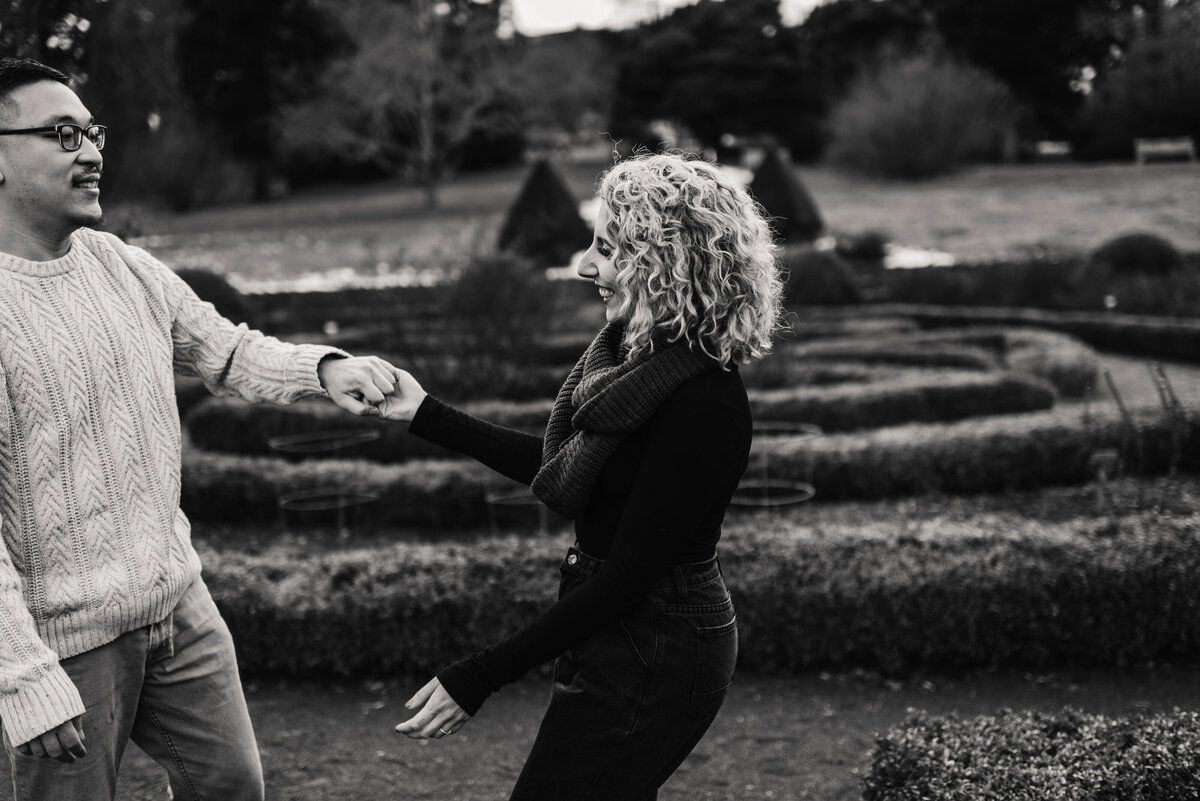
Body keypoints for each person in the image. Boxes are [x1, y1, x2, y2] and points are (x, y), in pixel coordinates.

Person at [0, 57, 399, 801]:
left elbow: (226, 349)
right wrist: (23, 675)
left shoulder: (120, 264)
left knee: (232, 786)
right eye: (61, 135)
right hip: (66, 641)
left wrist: (324, 368)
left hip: (176, 605)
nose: (91, 151)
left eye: (92, 132)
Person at [384, 151, 784, 799]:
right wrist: (422, 413)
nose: (584, 264)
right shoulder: (633, 361)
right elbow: (564, 468)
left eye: (608, 248)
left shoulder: (703, 403)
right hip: (622, 631)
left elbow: (627, 576)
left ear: (665, 263)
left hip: (660, 647)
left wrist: (479, 675)